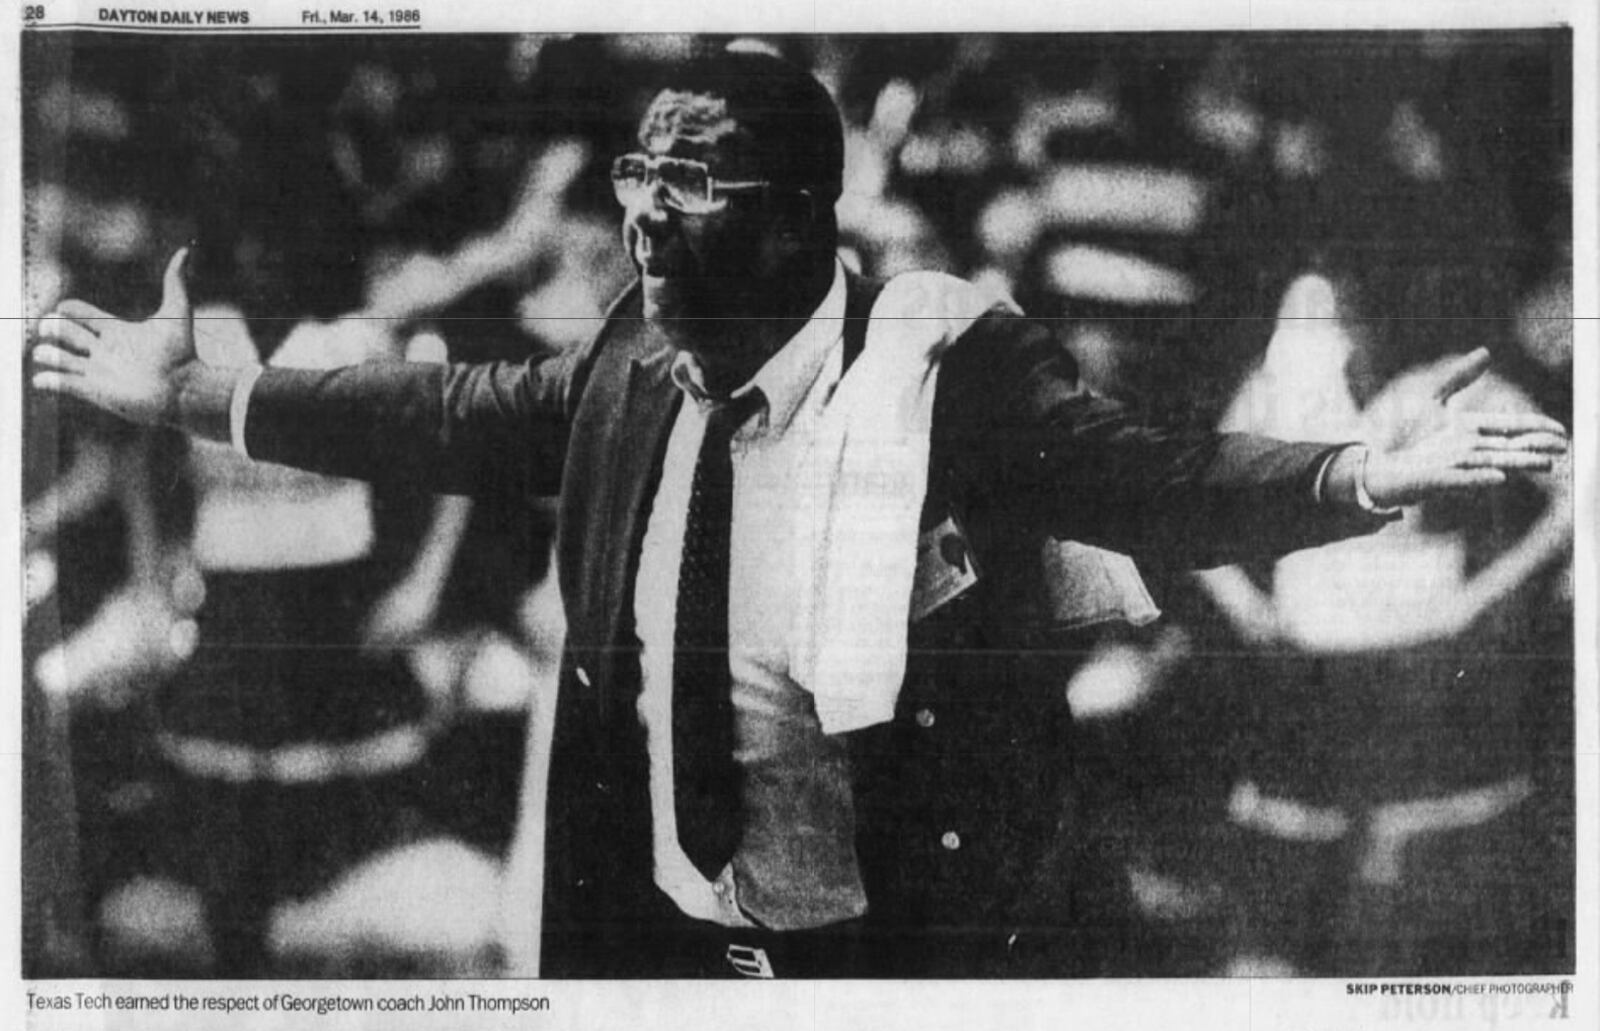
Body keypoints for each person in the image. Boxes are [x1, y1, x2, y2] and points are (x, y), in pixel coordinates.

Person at [30, 49, 1568, 979]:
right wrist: (194, 398)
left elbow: (1150, 480)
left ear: (796, 221)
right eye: (638, 184)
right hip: (658, 927)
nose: (643, 228)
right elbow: (443, 412)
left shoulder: (941, 357)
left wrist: (1364, 479)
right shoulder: (634, 353)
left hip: (887, 929)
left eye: (688, 195)